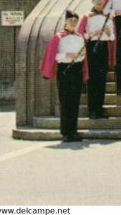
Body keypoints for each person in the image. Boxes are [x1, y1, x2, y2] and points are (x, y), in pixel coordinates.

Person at [40, 10, 87, 142]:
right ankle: (66, 132)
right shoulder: (58, 37)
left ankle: (74, 131)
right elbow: (52, 55)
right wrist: (67, 55)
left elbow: (83, 54)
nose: (73, 23)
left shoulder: (80, 37)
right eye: (71, 20)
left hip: (77, 69)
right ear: (66, 21)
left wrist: (80, 56)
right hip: (65, 69)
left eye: (75, 21)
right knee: (65, 101)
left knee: (75, 101)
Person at [78, 0, 114, 119]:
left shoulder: (108, 17)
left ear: (104, 1)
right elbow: (80, 33)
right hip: (92, 47)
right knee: (92, 80)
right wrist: (92, 35)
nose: (99, 1)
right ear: (93, 1)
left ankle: (100, 108)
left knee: (101, 79)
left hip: (103, 47)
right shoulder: (87, 16)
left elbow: (112, 37)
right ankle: (92, 109)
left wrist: (108, 32)